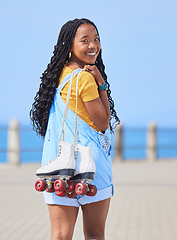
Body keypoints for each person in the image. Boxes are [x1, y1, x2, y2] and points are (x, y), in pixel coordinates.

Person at [30, 18, 120, 240]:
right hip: (91, 168)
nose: (93, 46)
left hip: (59, 167)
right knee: (95, 234)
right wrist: (101, 84)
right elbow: (103, 122)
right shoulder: (86, 79)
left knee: (60, 235)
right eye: (85, 40)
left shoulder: (57, 75)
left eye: (96, 39)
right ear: (69, 45)